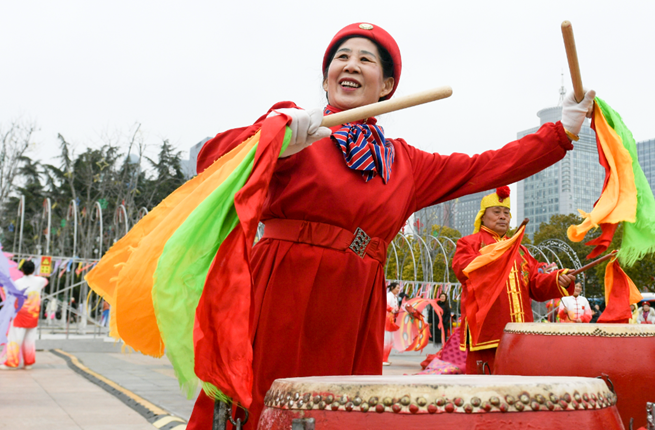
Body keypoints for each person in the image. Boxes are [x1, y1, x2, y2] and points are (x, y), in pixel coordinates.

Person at [187, 23, 594, 428]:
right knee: (268, 402)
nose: (350, 65)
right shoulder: (296, 128)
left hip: (358, 299)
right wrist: (272, 138)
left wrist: (562, 131)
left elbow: (484, 167)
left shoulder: (405, 163)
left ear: (386, 86)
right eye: (341, 58)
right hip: (285, 285)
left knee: (343, 410)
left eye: (365, 60)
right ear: (327, 77)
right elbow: (212, 161)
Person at [452, 188, 576, 374]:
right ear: (482, 217)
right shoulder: (469, 243)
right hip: (487, 329)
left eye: (506, 213)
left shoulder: (521, 250)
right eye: (497, 212)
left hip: (521, 331)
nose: (503, 217)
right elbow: (464, 270)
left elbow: (535, 283)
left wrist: (559, 280)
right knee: (485, 391)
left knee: (519, 387)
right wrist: (499, 253)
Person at [2, 261, 48, 369]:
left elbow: (7, 292)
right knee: (29, 340)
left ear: (22, 270)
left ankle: (12, 363)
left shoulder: (17, 283)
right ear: (33, 270)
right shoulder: (40, 281)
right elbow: (46, 280)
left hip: (20, 315)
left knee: (15, 339)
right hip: (33, 315)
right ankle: (28, 363)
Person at [382, 282, 401, 366]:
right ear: (392, 287)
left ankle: (385, 358)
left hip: (391, 320)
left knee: (391, 340)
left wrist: (396, 311)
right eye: (397, 288)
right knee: (386, 340)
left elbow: (395, 308)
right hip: (386, 320)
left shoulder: (395, 297)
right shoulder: (388, 295)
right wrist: (391, 309)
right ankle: (383, 359)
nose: (398, 290)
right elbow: (385, 305)